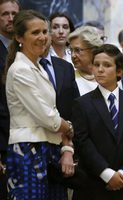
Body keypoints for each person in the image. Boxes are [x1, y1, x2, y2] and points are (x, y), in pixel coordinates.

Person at [5, 10, 75, 200]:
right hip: (28, 150)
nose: (43, 37)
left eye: (45, 31)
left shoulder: (40, 67)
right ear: (19, 37)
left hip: (48, 148)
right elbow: (48, 117)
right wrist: (69, 127)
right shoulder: (20, 69)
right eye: (35, 32)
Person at [71, 44, 123, 200]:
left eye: (106, 65)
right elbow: (82, 141)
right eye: (96, 64)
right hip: (94, 183)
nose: (100, 69)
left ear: (119, 71)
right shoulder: (82, 104)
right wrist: (106, 173)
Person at [0, 0, 20, 199]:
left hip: (25, 139)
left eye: (14, 13)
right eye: (5, 13)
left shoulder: (28, 49)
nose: (11, 18)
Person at [68, 25, 103, 95]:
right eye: (71, 50)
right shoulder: (70, 80)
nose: (73, 55)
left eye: (77, 50)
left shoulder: (110, 76)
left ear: (93, 50)